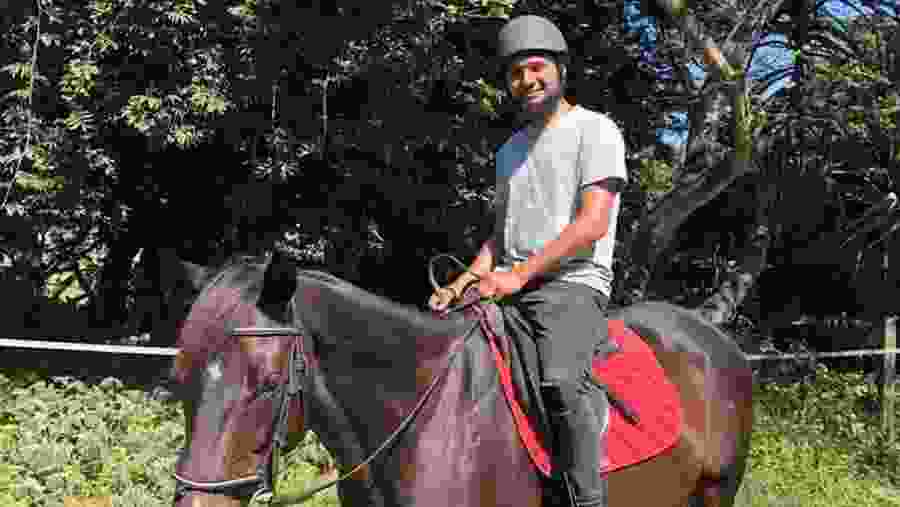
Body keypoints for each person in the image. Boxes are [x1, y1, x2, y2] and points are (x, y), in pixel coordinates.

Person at [428, 15, 628, 507]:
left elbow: (592, 225)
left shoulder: (595, 131)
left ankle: (585, 499)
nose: (527, 81)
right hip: (509, 282)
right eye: (516, 74)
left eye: (537, 68)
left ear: (561, 70)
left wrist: (518, 275)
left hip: (572, 285)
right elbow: (501, 237)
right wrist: (461, 284)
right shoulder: (509, 151)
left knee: (561, 381)